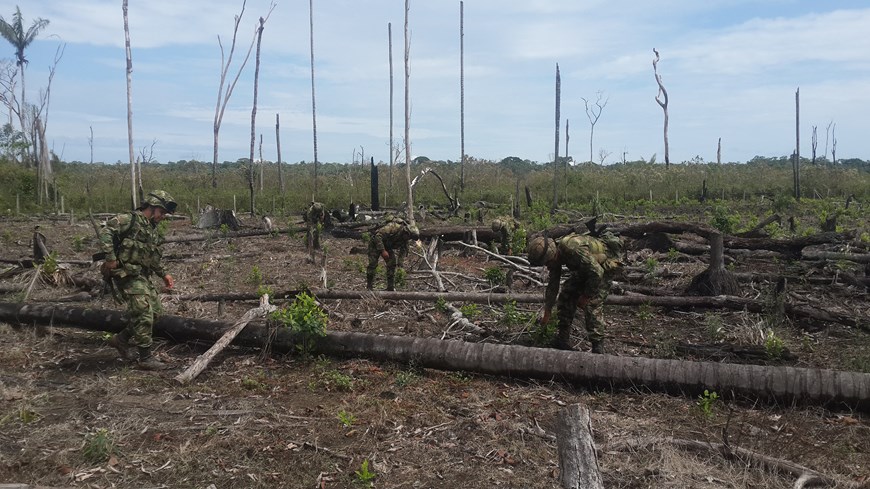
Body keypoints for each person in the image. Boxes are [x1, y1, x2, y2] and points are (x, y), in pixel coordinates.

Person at [100, 190, 177, 370]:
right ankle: (145, 358)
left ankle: (121, 339)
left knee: (156, 312)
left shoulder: (151, 230)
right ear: (152, 207)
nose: (163, 216)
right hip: (126, 274)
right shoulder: (129, 219)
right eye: (162, 212)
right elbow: (106, 231)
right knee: (143, 312)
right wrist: (110, 258)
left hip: (141, 275)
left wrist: (164, 274)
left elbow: (152, 258)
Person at [526, 231, 623, 352]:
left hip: (603, 267)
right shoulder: (554, 254)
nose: (547, 266)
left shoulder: (572, 249)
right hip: (587, 269)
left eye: (547, 263)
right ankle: (562, 339)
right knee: (566, 294)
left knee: (592, 304)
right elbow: (553, 286)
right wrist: (548, 311)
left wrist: (586, 296)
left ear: (553, 256)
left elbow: (597, 273)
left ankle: (598, 347)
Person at [367, 218, 420, 291]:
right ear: (406, 233)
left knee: (392, 264)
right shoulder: (393, 227)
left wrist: (400, 265)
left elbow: (402, 252)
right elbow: (378, 236)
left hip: (387, 246)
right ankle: (369, 287)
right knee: (373, 264)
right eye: (409, 237)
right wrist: (383, 250)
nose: (408, 239)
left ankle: (390, 287)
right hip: (375, 243)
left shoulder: (405, 240)